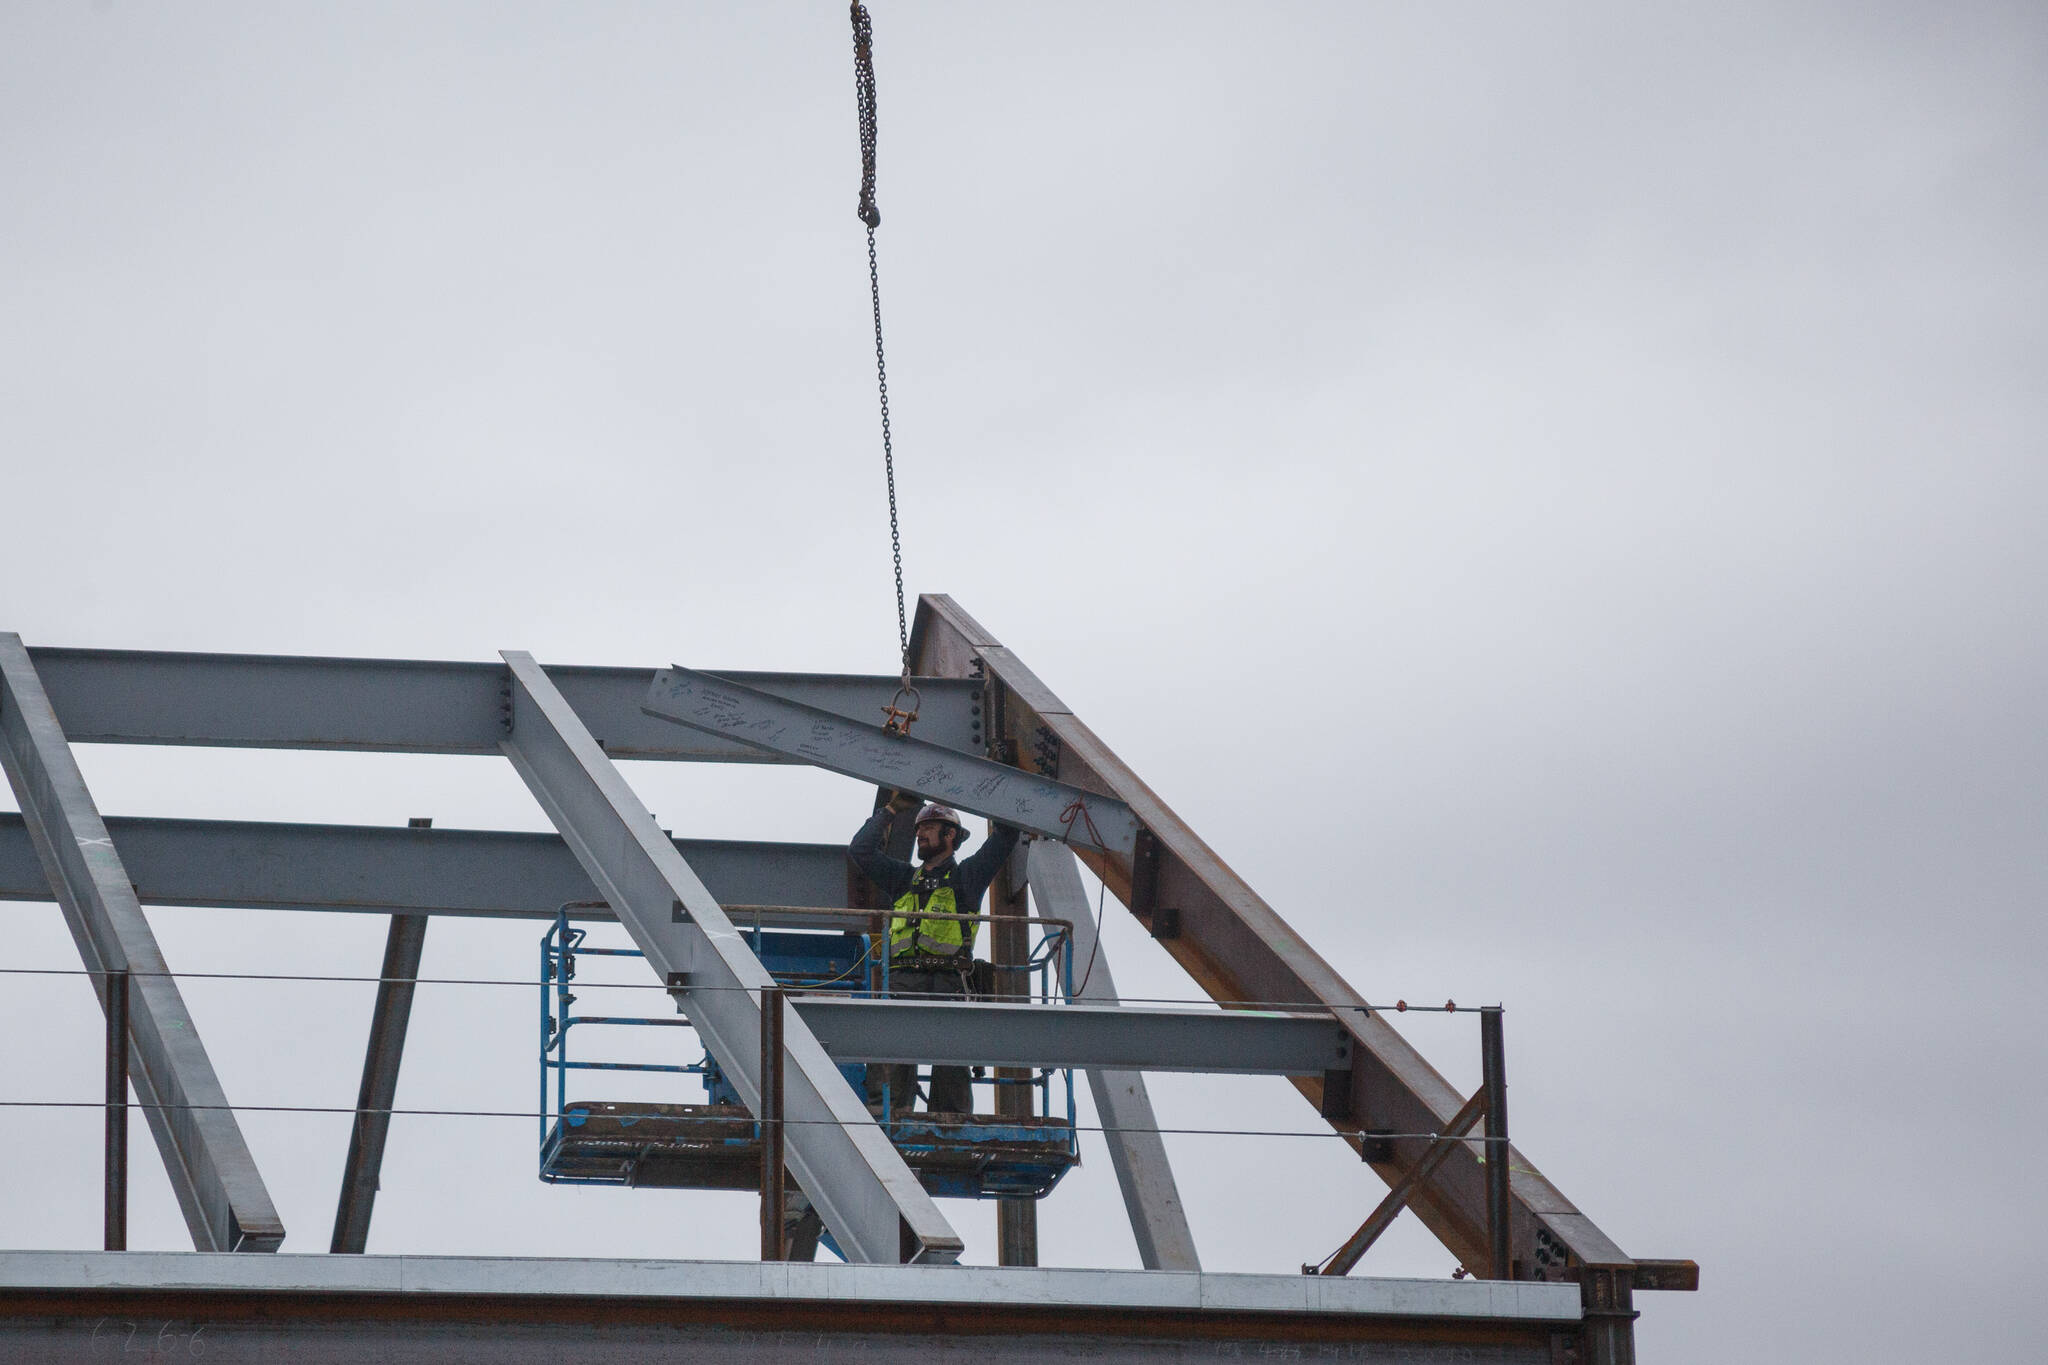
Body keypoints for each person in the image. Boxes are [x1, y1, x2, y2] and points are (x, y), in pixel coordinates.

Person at [848, 794, 1021, 1116]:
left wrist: (987, 788)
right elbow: (861, 851)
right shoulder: (903, 880)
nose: (919, 834)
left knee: (951, 1062)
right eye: (918, 828)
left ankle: (951, 1122)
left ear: (950, 835)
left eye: (928, 828)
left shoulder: (967, 877)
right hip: (902, 979)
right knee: (893, 1056)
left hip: (948, 981)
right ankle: (888, 1116)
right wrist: (889, 812)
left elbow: (1006, 836)